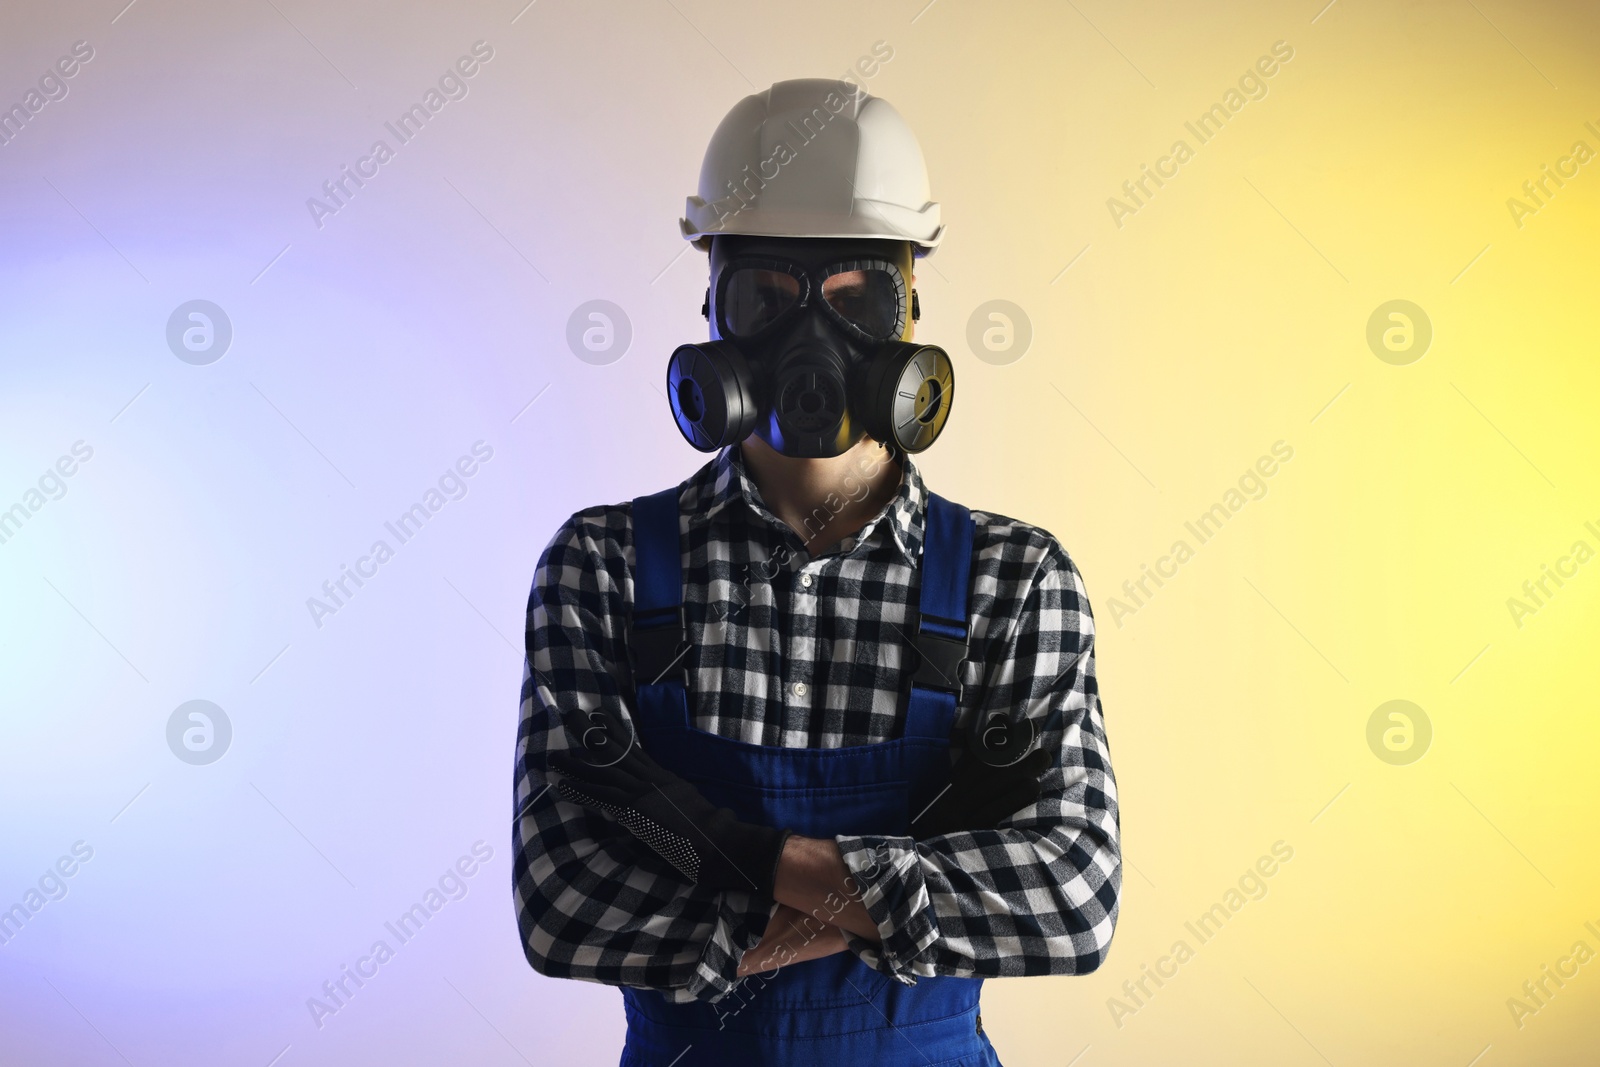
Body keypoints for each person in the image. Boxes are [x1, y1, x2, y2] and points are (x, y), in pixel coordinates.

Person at [512, 78, 1120, 1067]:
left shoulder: (1014, 580)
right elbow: (563, 905)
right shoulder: (601, 567)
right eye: (766, 297)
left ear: (911, 306)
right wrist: (921, 881)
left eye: (854, 298)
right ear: (711, 300)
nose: (813, 342)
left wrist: (741, 860)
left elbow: (1069, 896)